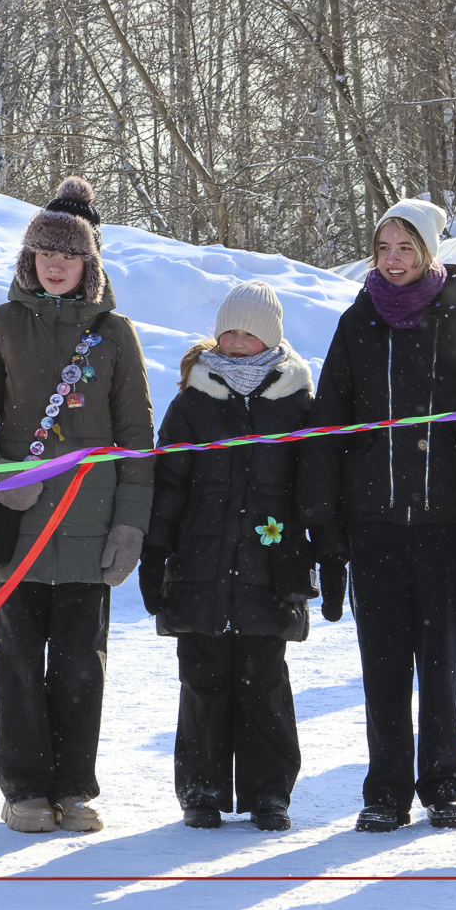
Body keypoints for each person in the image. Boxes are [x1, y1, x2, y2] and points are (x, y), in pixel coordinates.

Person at [299, 199, 456, 833]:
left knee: (441, 658)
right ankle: (387, 789)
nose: (393, 261)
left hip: (444, 521)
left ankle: (445, 783)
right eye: (383, 249)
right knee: (384, 661)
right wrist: (328, 515)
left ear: (427, 252)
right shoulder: (358, 320)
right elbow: (329, 421)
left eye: (406, 248)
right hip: (374, 520)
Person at [0, 176, 155, 834]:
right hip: (17, 528)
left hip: (90, 528)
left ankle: (73, 788)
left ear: (88, 263)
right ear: (29, 258)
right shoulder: (2, 324)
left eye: (68, 254)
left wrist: (130, 523)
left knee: (80, 667)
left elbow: (137, 436)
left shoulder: (116, 334)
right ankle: (23, 789)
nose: (55, 264)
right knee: (16, 665)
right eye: (45, 252)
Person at [139, 281, 314, 832]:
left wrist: (320, 551)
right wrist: (155, 551)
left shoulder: (296, 403)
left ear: (271, 339)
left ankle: (269, 792)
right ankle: (202, 789)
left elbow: (313, 487)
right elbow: (168, 482)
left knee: (265, 682)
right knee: (203, 680)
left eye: (249, 333)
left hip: (271, 566)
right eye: (229, 332)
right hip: (201, 565)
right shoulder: (194, 400)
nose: (237, 342)